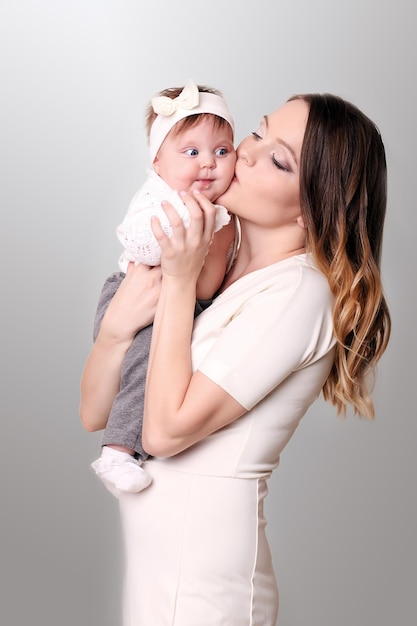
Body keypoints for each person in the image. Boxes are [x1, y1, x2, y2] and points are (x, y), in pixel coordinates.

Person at [79, 92, 391, 625]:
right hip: (159, 576)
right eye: (260, 131)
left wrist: (178, 281)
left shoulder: (299, 293)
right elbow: (94, 414)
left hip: (207, 590)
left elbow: (163, 433)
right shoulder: (216, 261)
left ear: (316, 203)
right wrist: (113, 330)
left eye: (279, 159)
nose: (246, 152)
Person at [89, 80, 237, 493]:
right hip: (133, 296)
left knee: (162, 371)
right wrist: (183, 231)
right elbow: (134, 236)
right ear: (157, 163)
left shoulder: (222, 209)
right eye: (191, 152)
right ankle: (117, 450)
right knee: (144, 368)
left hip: (173, 300)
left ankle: (135, 448)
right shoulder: (159, 198)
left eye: (221, 151)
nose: (208, 164)